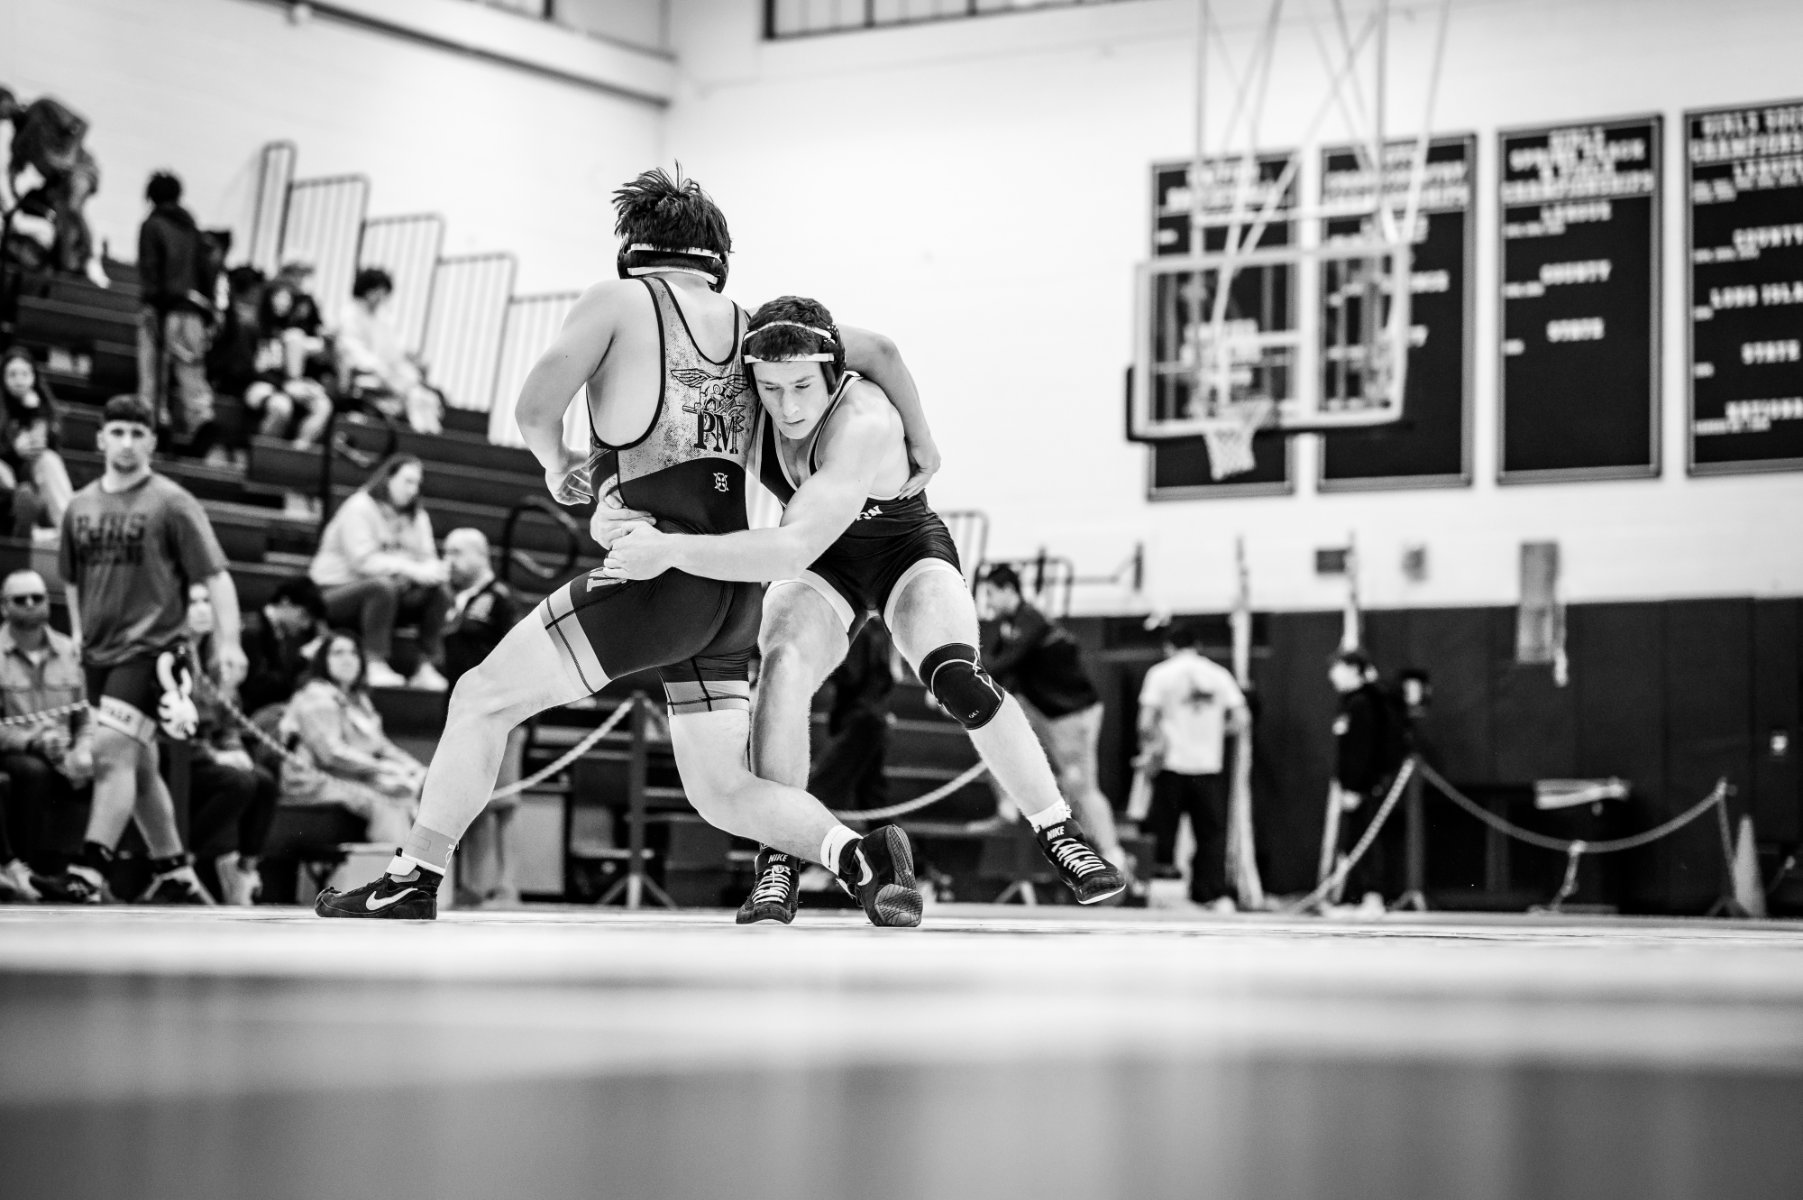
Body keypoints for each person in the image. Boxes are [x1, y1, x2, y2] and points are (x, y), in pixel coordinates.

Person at [316, 167, 937, 923]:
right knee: (721, 792)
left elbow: (535, 403)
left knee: (480, 697)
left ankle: (412, 877)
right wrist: (925, 444)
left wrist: (557, 466)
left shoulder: (618, 300)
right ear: (717, 255)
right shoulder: (755, 327)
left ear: (631, 249)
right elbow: (876, 348)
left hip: (657, 577)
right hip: (732, 592)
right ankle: (857, 857)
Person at [599, 295, 1126, 923]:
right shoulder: (754, 367)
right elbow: (661, 431)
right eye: (770, 389)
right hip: (828, 560)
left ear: (831, 371)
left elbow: (790, 546)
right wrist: (603, 483)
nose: (787, 408)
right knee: (783, 665)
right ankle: (778, 864)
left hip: (899, 546)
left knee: (958, 677)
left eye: (801, 387)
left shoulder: (865, 420)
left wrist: (923, 440)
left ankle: (1058, 831)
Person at [49, 394, 246, 904]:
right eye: (117, 432)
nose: (127, 443)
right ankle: (176, 871)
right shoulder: (79, 505)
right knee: (141, 764)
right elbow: (70, 579)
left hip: (157, 651)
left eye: (137, 434)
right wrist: (76, 633)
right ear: (100, 439)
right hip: (100, 652)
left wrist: (230, 642)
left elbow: (217, 576)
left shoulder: (172, 502)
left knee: (110, 752)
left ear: (152, 443)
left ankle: (89, 873)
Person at [977, 563, 1126, 868]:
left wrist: (951, 679)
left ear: (1009, 590)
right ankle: (1008, 811)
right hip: (1045, 710)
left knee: (1082, 787)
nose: (987, 603)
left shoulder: (1031, 621)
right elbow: (999, 669)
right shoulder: (1011, 624)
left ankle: (1114, 855)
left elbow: (1002, 664)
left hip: (1071, 715)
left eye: (991, 594)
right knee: (994, 740)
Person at [308, 454, 451, 690]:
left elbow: (429, 562)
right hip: (332, 593)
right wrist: (409, 568)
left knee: (439, 592)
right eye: (407, 481)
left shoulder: (418, 516)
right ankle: (374, 662)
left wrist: (430, 572)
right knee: (382, 586)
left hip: (388, 596)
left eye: (417, 483)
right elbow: (362, 562)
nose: (413, 489)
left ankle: (426, 666)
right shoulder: (359, 507)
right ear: (388, 478)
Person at [1136, 621, 1248, 911]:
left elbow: (1146, 723)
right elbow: (1241, 719)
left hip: (1172, 765)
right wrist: (1212, 733)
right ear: (1198, 646)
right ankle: (1209, 894)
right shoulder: (1219, 674)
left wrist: (1158, 744)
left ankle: (1159, 894)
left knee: (1162, 832)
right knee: (1211, 835)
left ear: (1169, 647)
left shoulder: (1160, 673)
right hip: (1208, 766)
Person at [439, 527, 522, 907]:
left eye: (456, 553)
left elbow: (520, 653)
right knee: (470, 800)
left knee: (501, 803)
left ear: (480, 554)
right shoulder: (455, 599)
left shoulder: (501, 600)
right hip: (463, 714)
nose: (448, 560)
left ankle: (503, 887)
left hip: (501, 712)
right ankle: (472, 885)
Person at [277, 631, 424, 844]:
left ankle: (418, 869)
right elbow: (331, 754)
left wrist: (414, 768)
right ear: (323, 661)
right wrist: (381, 768)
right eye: (338, 653)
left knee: (405, 791)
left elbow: (382, 747)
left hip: (350, 776)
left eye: (354, 653)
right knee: (388, 803)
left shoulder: (360, 700)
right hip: (315, 781)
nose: (347, 659)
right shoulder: (315, 696)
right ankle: (393, 873)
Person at [0, 568, 92, 899]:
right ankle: (24, 870)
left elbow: (85, 717)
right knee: (33, 771)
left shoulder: (70, 652)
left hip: (65, 754)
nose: (29, 604)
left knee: (113, 765)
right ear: (3, 606)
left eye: (36, 597)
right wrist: (31, 741)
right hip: (16, 754)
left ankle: (90, 875)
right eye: (19, 599)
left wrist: (84, 749)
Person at [185, 583, 277, 906]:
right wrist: (215, 755)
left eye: (207, 602)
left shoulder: (218, 661)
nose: (201, 609)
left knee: (264, 780)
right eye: (192, 602)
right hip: (181, 757)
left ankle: (242, 871)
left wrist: (234, 747)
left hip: (210, 757)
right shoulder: (170, 657)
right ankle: (184, 860)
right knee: (239, 782)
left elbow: (229, 723)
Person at [135, 171, 216, 446]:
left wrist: (152, 302)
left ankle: (156, 421)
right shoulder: (192, 228)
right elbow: (207, 271)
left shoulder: (152, 224)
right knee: (191, 371)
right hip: (192, 310)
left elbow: (150, 268)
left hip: (162, 308)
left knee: (152, 371)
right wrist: (207, 310)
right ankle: (201, 418)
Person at [1326, 647, 1406, 914]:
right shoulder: (1353, 701)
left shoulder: (1363, 703)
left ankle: (1373, 897)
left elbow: (1362, 750)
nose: (1331, 675)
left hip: (1365, 787)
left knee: (1366, 840)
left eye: (1336, 668)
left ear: (1351, 669)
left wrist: (1354, 787)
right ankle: (1358, 896)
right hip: (1360, 786)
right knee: (1354, 841)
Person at [335, 267, 444, 434]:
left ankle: (427, 432)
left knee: (422, 394)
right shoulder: (350, 314)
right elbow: (351, 348)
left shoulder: (384, 317)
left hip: (388, 373)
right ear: (366, 289)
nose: (380, 297)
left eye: (383, 292)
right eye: (377, 291)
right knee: (408, 390)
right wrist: (379, 366)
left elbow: (394, 351)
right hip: (365, 371)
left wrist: (407, 366)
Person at [0, 346, 75, 532]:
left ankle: (70, 532)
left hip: (33, 478)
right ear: (3, 378)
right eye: (13, 374)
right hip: (5, 477)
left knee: (49, 460)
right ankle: (21, 520)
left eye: (25, 374)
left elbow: (55, 445)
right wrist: (11, 448)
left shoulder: (44, 407)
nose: (19, 380)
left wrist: (36, 412)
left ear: (34, 377)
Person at [240, 575, 326, 716]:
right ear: (285, 602)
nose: (305, 625)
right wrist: (301, 660)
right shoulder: (253, 631)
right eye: (303, 616)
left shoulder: (275, 632)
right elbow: (258, 689)